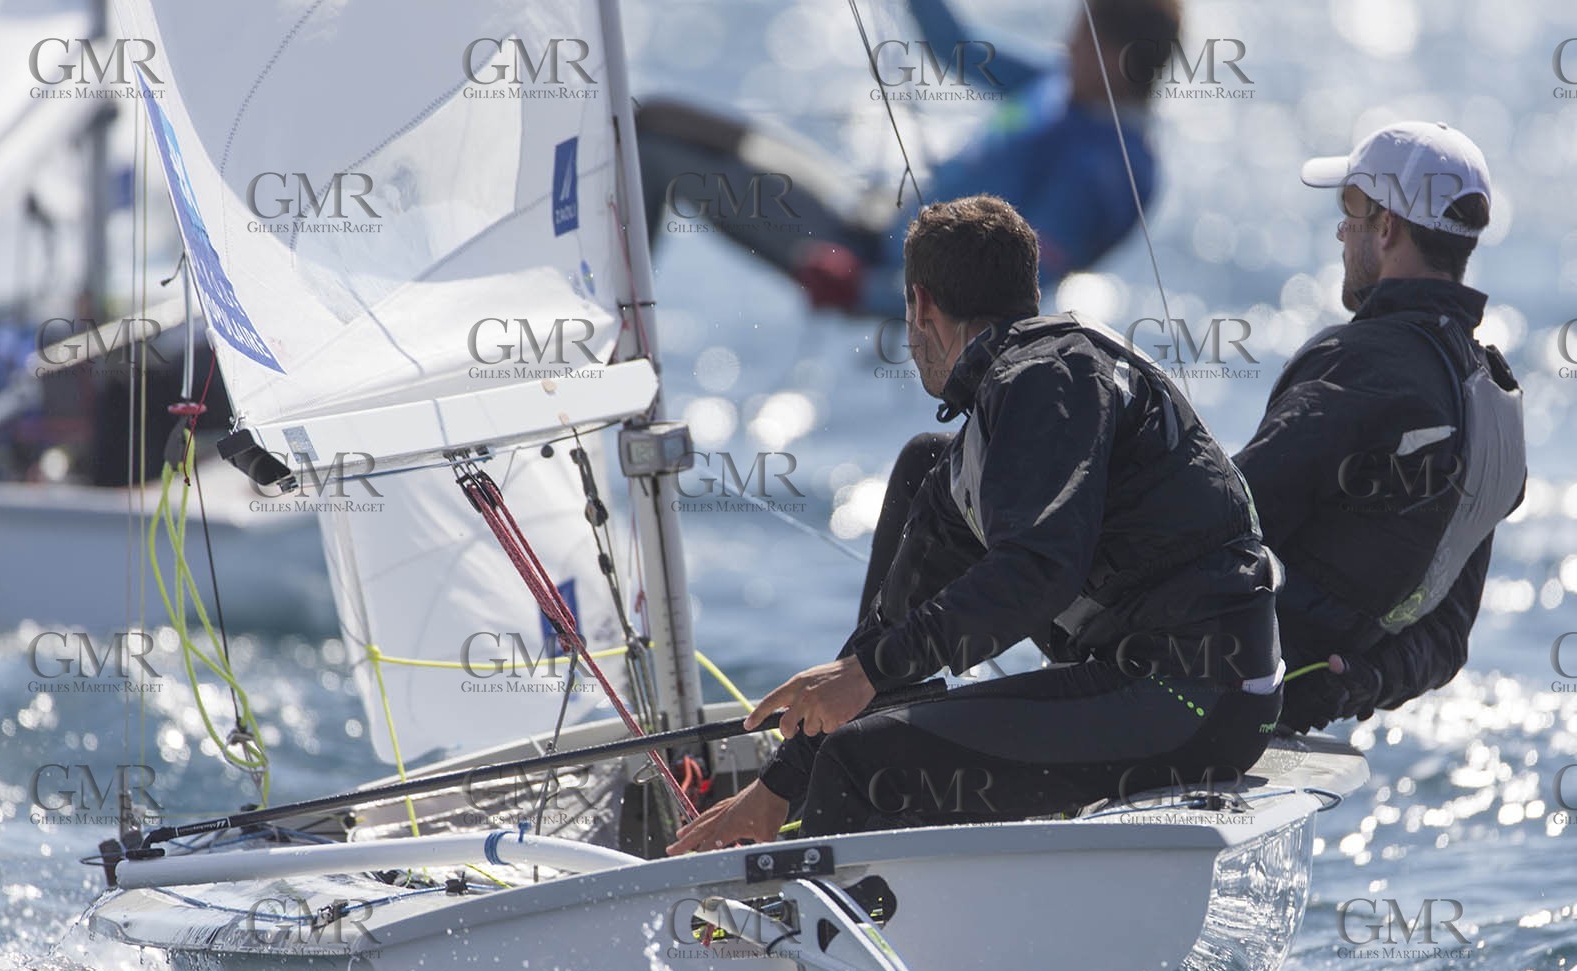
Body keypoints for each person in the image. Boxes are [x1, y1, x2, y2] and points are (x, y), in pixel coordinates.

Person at [667, 195, 1282, 851]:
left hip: (1194, 699)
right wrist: (774, 790)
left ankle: (841, 943)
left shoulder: (1051, 378)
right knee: (919, 469)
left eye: (909, 317)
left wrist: (870, 672)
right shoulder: (997, 421)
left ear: (920, 307)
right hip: (1150, 682)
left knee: (860, 765)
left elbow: (1038, 569)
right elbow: (893, 629)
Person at [1233, 122, 1526, 734]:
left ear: (1387, 227)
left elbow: (1223, 526)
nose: (1343, 230)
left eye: (1352, 209)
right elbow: (1447, 638)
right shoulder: (1496, 403)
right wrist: (1360, 682)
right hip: (1303, 701)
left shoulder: (1360, 362)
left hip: (1199, 684)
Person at [635, 0, 1182, 317]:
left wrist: (863, 291)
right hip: (867, 215)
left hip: (874, 270)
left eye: (1081, 37)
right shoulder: (1060, 88)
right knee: (655, 118)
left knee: (659, 157)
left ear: (1116, 61)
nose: (1066, 45)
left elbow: (1012, 287)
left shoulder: (1110, 172)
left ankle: (621, 332)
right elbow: (952, 45)